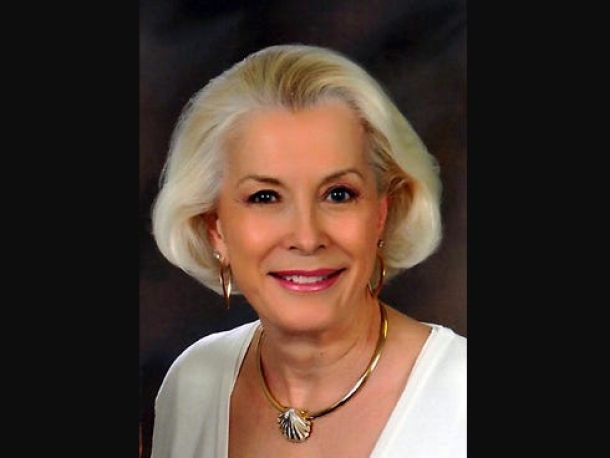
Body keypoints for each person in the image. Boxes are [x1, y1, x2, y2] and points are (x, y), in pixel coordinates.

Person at [150, 44, 466, 457]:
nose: (306, 236)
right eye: (265, 197)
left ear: (381, 214)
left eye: (338, 194)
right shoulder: (191, 386)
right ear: (216, 229)